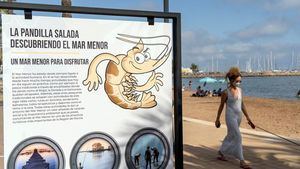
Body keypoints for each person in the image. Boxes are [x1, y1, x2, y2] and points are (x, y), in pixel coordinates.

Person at [215, 67, 254, 169]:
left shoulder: (240, 90)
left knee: (231, 135)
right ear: (231, 80)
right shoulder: (225, 92)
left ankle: (221, 151)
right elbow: (221, 106)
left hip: (239, 116)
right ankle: (242, 161)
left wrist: (248, 118)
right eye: (237, 81)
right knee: (238, 136)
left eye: (240, 81)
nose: (239, 83)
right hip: (230, 116)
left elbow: (242, 104)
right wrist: (217, 118)